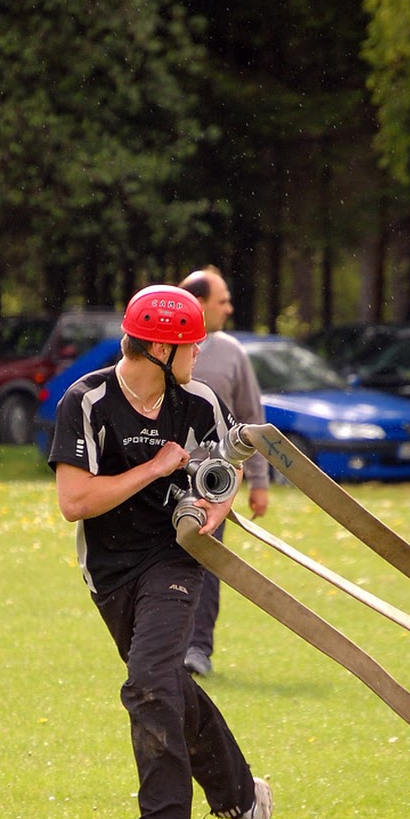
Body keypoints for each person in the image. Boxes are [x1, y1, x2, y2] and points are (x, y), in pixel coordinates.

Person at [49, 284, 284, 819]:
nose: (199, 352)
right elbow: (75, 501)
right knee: (168, 686)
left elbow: (223, 470)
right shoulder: (87, 400)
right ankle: (244, 799)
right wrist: (154, 467)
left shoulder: (200, 400)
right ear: (157, 347)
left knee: (151, 681)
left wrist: (218, 507)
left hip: (177, 559)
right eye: (189, 344)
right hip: (110, 570)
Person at [179, 267, 269, 677]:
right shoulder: (158, 348)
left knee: (207, 564)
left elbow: (252, 419)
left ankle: (198, 648)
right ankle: (162, 645)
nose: (229, 308)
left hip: (213, 483)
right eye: (222, 301)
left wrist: (259, 481)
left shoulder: (232, 352)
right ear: (197, 304)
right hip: (155, 477)